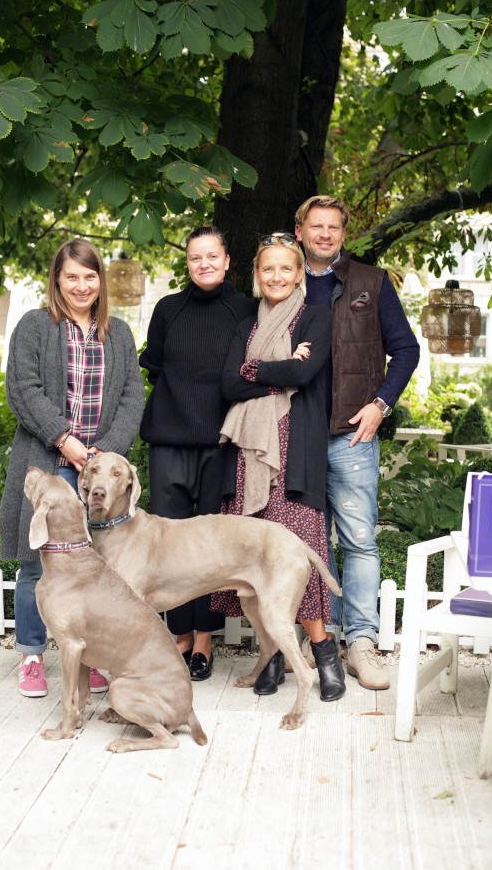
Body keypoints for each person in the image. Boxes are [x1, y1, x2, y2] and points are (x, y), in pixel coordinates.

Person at [0, 238, 145, 697]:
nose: (81, 286)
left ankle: (92, 657)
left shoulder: (118, 334)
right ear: (57, 280)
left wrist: (104, 455)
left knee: (98, 566)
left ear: (101, 280)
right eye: (72, 277)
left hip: (99, 473)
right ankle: (31, 656)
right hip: (51, 463)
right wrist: (64, 439)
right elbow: (23, 388)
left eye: (89, 276)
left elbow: (132, 398)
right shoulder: (35, 326)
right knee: (38, 565)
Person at [212, 233, 346, 702]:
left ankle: (324, 653)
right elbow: (229, 384)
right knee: (254, 561)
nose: (276, 276)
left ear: (298, 274)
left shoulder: (316, 317)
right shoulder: (245, 325)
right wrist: (279, 368)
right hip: (249, 458)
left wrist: (256, 369)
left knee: (299, 554)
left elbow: (304, 374)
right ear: (257, 274)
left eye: (286, 268)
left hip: (294, 457)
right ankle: (271, 656)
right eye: (268, 268)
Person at [294, 195, 420, 690]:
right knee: (308, 542)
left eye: (334, 227)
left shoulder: (371, 282)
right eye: (316, 226)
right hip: (297, 434)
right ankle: (320, 641)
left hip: (352, 435)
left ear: (344, 234)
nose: (325, 234)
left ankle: (362, 643)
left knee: (360, 541)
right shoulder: (284, 278)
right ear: (300, 231)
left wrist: (380, 405)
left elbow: (406, 350)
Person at [139, 226, 255, 681]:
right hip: (169, 440)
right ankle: (179, 637)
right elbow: (155, 366)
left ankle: (205, 638)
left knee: (209, 548)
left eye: (212, 256)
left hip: (220, 443)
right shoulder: (168, 309)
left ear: (227, 261)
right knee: (168, 545)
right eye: (195, 258)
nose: (204, 264)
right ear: (187, 263)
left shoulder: (245, 309)